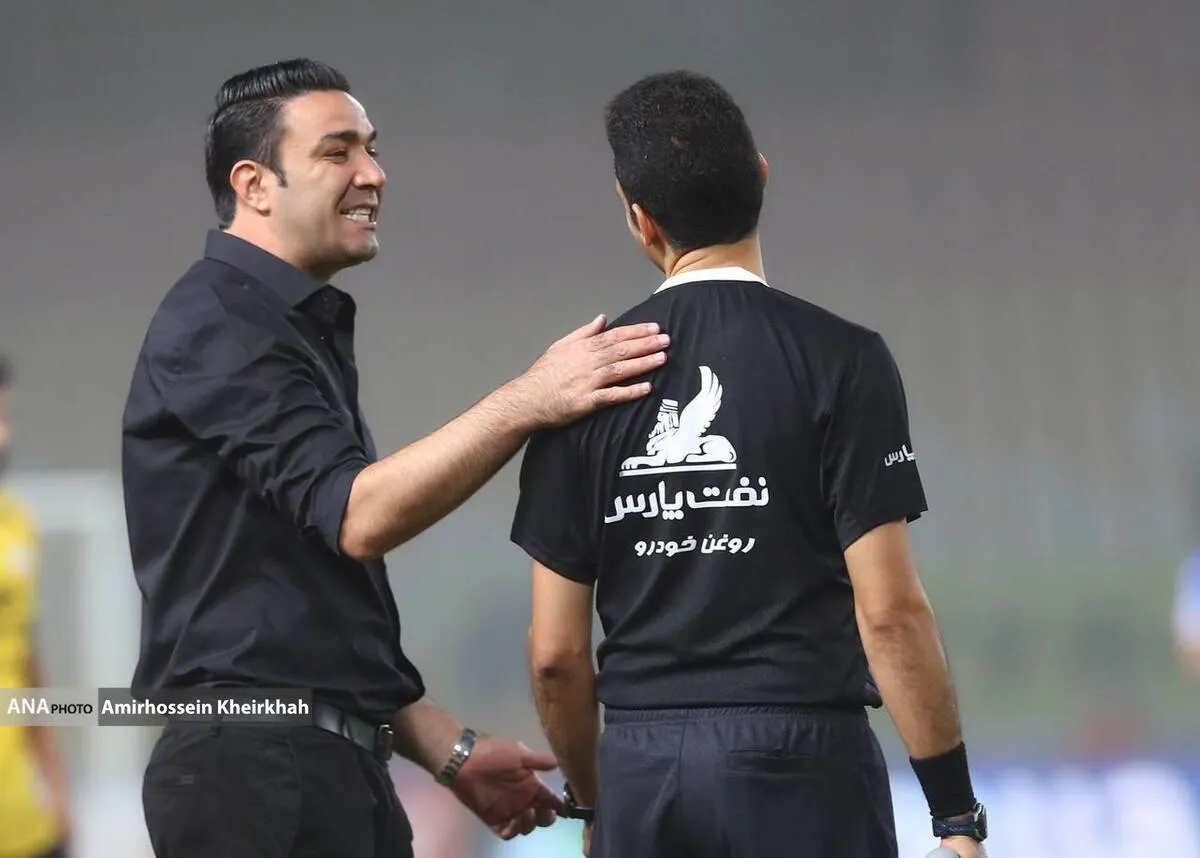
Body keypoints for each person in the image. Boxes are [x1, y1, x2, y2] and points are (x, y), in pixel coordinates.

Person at [121, 58, 669, 858]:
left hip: (320, 763)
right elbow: (359, 516)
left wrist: (451, 752)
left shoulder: (279, 325)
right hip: (252, 770)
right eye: (337, 151)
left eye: (371, 149)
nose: (374, 174)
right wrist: (531, 399)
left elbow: (307, 608)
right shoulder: (218, 321)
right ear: (254, 184)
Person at [510, 71, 988, 858]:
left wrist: (599, 804)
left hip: (643, 772)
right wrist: (955, 816)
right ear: (761, 175)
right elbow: (890, 613)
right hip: (807, 768)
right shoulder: (845, 361)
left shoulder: (576, 385)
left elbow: (554, 655)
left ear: (640, 218)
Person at [0, 355, 72, 858]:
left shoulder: (18, 527)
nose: (4, 437)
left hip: (25, 828)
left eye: (5, 417)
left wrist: (58, 789)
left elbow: (27, 668)